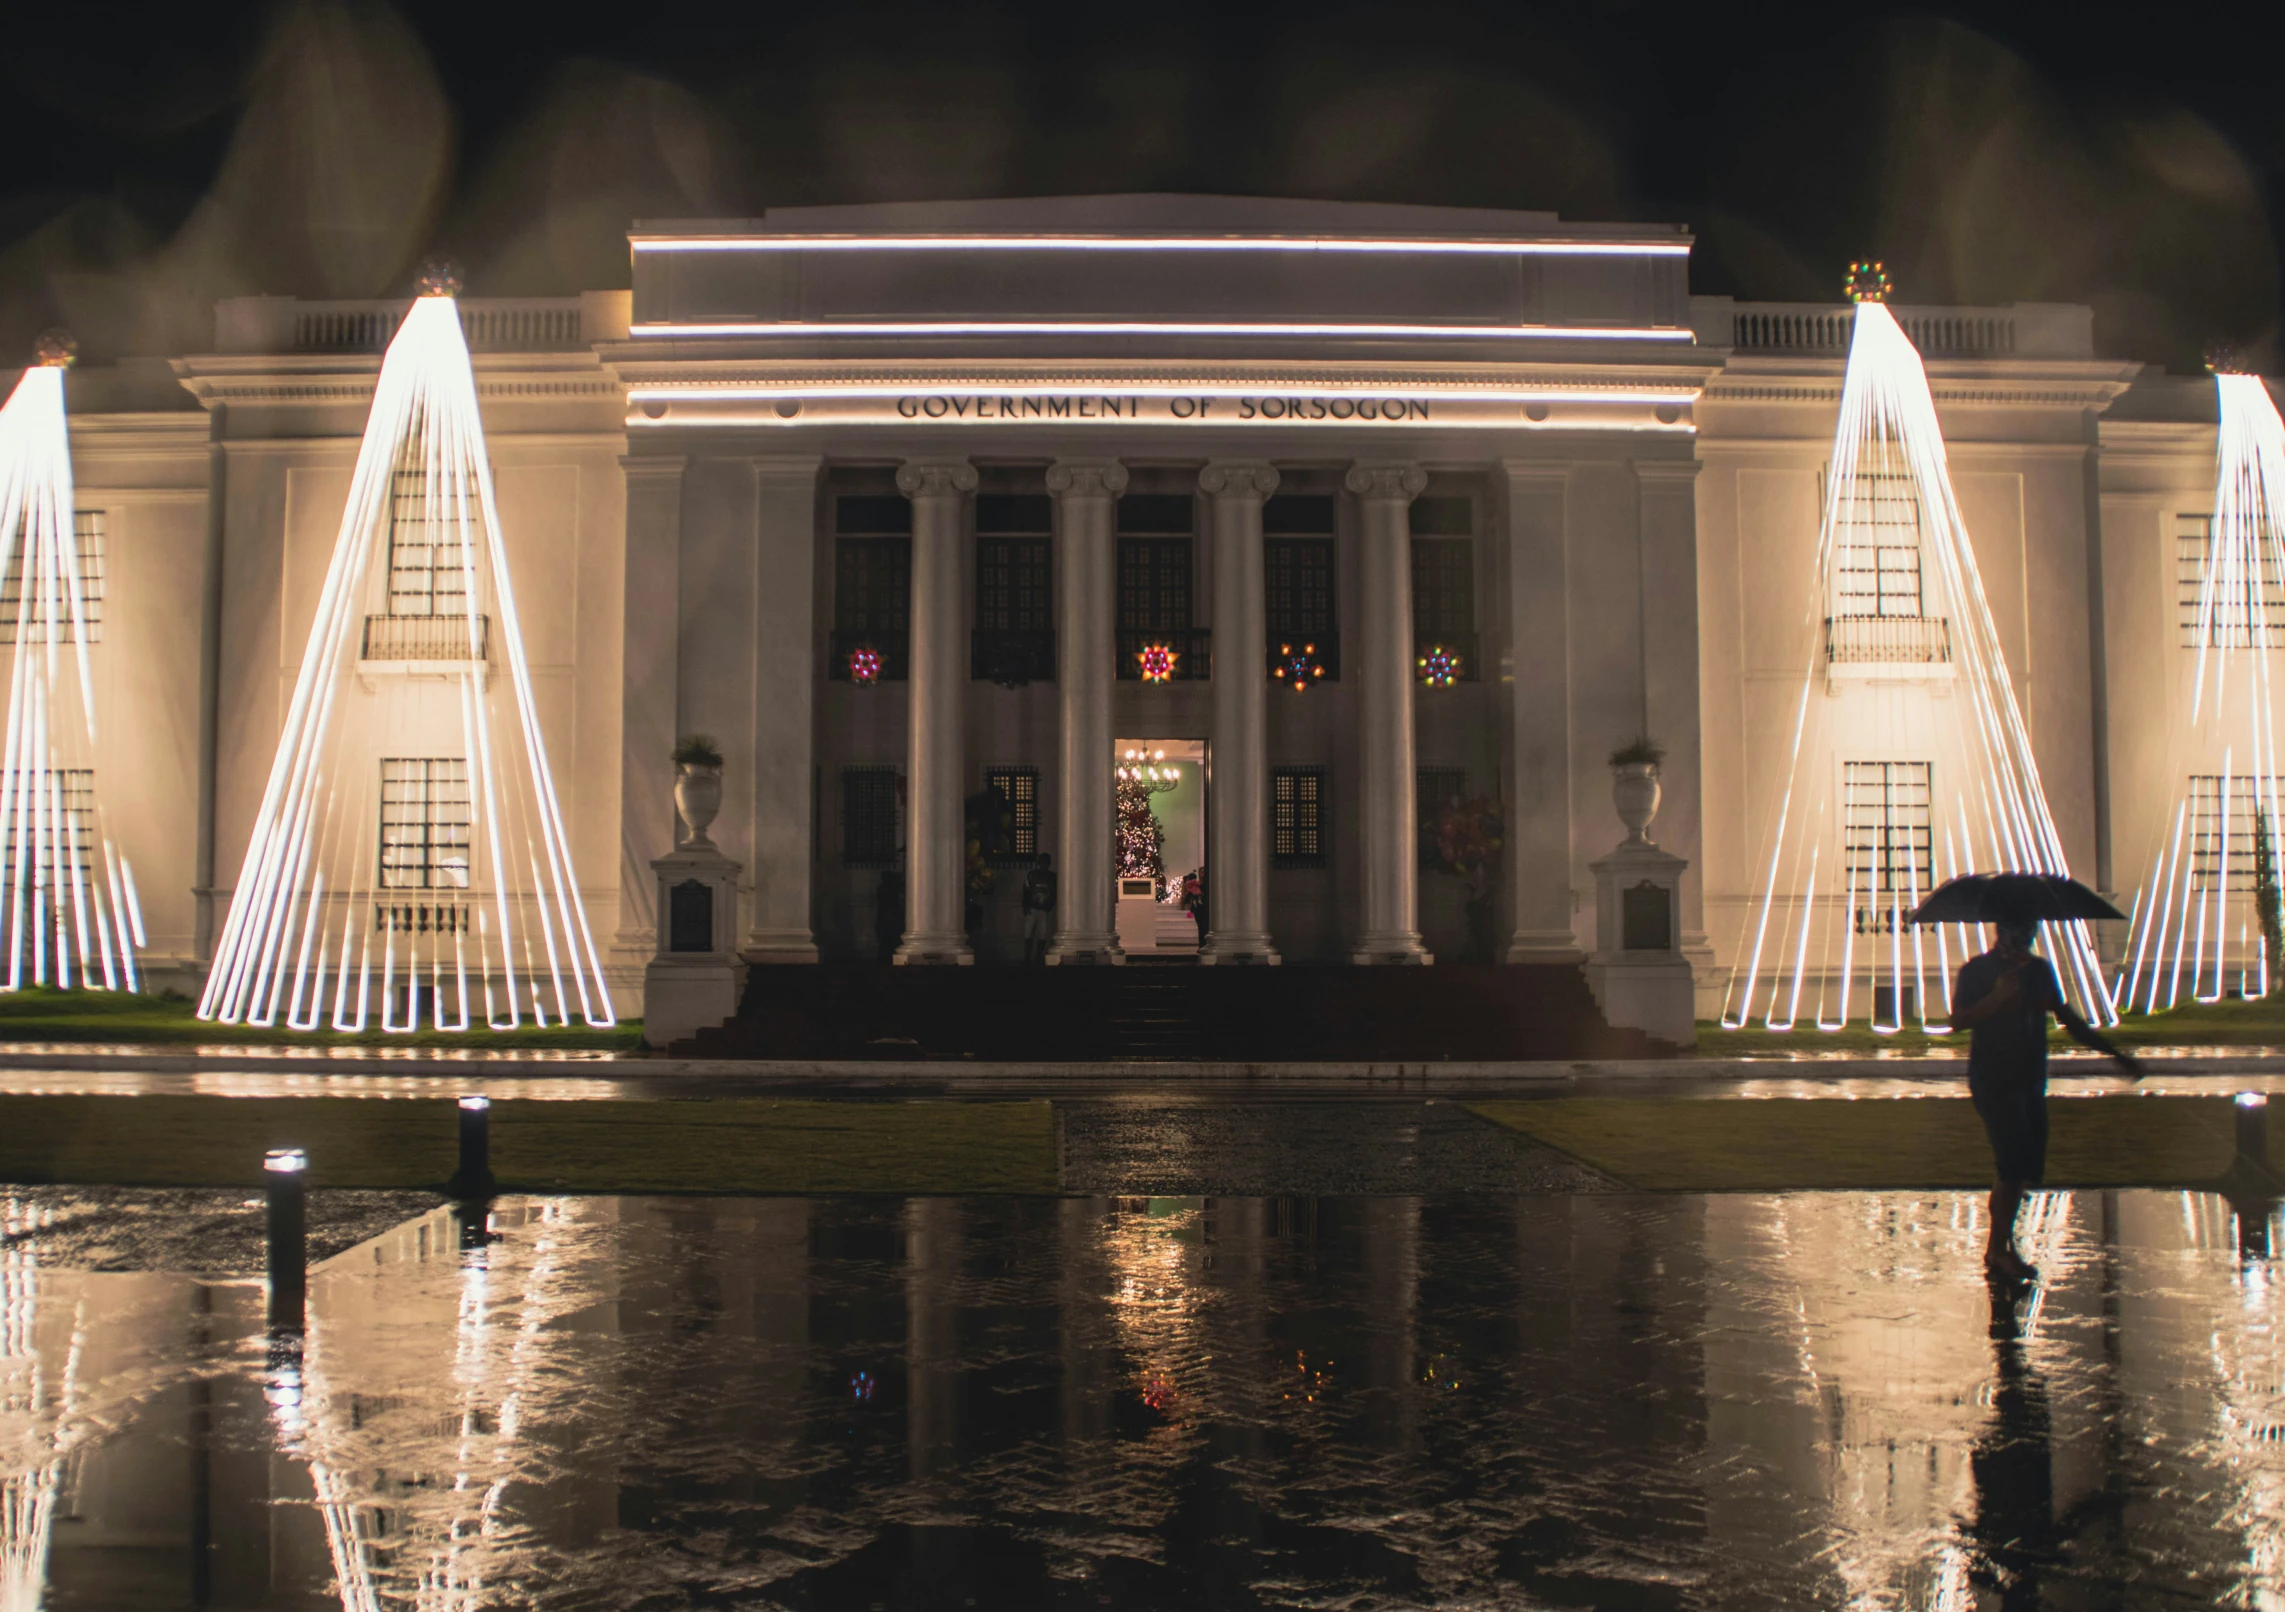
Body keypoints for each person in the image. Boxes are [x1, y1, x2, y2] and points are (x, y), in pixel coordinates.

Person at [1951, 918, 2142, 1282]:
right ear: (2001, 930)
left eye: (2030, 929)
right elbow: (1958, 1019)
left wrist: (2114, 1054)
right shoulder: (1978, 971)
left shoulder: (2038, 970)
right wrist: (1996, 997)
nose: (2025, 937)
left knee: (2021, 1167)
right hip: (1994, 1079)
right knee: (2012, 1163)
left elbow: (2066, 1017)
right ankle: (1997, 1250)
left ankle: (2002, 1246)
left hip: (2029, 1079)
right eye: (2018, 928)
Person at [1021, 852, 1056, 966]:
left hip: (1042, 908)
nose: (1044, 865)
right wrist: (1026, 906)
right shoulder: (1033, 875)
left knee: (1041, 933)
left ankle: (1035, 958)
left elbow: (1054, 894)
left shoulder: (1052, 877)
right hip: (1033, 907)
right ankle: (1029, 958)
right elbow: (1026, 891)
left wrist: (1048, 906)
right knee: (1029, 933)